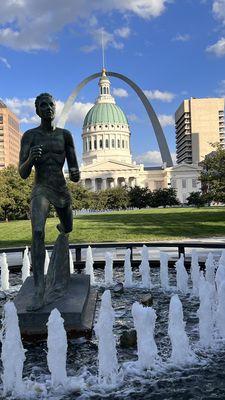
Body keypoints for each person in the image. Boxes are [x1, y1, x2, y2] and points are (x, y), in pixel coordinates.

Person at [19, 93, 80, 311]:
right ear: (37, 110)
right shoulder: (30, 136)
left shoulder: (65, 135)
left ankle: (60, 266)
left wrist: (75, 173)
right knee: (37, 232)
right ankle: (38, 290)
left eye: (51, 105)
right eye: (43, 105)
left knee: (67, 227)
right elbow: (22, 173)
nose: (48, 108)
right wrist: (30, 159)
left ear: (55, 108)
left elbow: (74, 168)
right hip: (41, 188)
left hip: (61, 189)